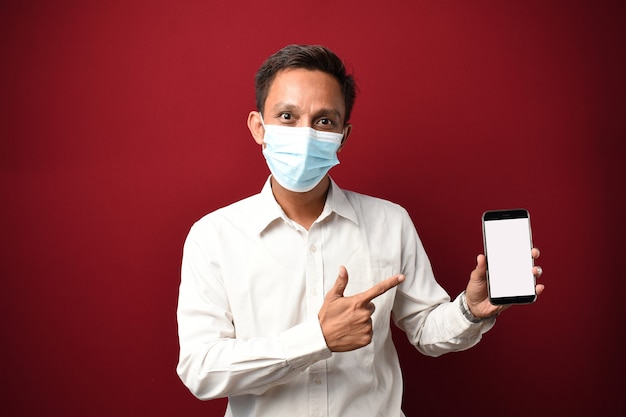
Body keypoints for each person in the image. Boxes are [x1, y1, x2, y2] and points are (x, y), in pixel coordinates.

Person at [176, 44, 544, 417]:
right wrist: (316, 340)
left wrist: (471, 310)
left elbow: (426, 332)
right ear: (259, 127)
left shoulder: (390, 222)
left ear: (343, 135)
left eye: (323, 121)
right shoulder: (214, 236)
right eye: (287, 116)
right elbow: (201, 370)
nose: (305, 135)